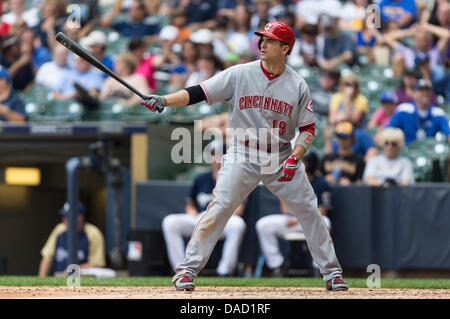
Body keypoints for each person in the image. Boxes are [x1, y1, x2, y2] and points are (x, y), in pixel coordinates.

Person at [140, 21, 349, 292]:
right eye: (262, 38)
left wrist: (296, 157)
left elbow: (308, 128)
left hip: (281, 153)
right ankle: (187, 270)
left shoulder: (297, 84)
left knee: (309, 211)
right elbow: (199, 93)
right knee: (219, 208)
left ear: (285, 48)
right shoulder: (239, 73)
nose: (262, 44)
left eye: (270, 40)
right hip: (242, 152)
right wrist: (165, 100)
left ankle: (332, 273)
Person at [162, 143, 246, 277]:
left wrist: (221, 181)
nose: (215, 160)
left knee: (238, 224)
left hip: (223, 220)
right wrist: (192, 213)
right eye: (214, 156)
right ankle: (181, 269)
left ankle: (225, 270)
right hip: (201, 217)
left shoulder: (235, 178)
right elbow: (190, 204)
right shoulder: (202, 179)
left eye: (219, 156)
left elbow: (239, 210)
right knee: (170, 222)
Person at [255, 151, 332, 277]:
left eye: (303, 162)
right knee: (263, 225)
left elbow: (322, 210)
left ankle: (318, 267)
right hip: (293, 221)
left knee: (326, 221)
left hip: (310, 222)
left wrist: (299, 218)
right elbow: (285, 209)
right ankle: (277, 266)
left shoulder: (321, 183)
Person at [38, 201, 106, 277]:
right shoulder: (59, 229)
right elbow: (47, 258)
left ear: (80, 217)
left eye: (68, 216)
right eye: (64, 216)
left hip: (82, 281)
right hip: (57, 279)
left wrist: (72, 270)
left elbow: (97, 264)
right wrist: (41, 280)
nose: (64, 219)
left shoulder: (93, 233)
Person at [386, 78, 450, 144]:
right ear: (414, 94)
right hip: (406, 150)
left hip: (429, 151)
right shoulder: (404, 110)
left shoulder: (438, 113)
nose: (425, 93)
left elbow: (448, 133)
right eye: (421, 90)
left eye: (427, 91)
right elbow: (388, 131)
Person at [321, 121, 365, 185]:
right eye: (339, 137)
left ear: (352, 139)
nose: (341, 140)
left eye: (344, 137)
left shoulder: (359, 160)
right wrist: (325, 179)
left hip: (348, 193)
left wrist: (350, 184)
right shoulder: (328, 157)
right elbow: (316, 177)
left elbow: (360, 184)